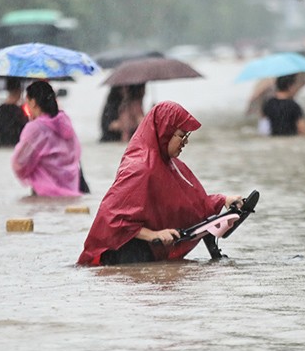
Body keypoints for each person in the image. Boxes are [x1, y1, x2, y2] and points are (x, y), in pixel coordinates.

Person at [78, 101, 242, 266]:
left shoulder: (170, 164)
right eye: (181, 135)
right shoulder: (139, 167)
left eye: (187, 136)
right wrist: (153, 235)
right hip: (125, 254)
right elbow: (112, 218)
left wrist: (223, 200)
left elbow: (190, 204)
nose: (185, 142)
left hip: (147, 253)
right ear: (166, 132)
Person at [11, 80, 83, 196]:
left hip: (44, 194)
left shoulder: (35, 128)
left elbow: (19, 162)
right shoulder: (65, 123)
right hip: (71, 192)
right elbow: (76, 153)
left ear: (33, 102)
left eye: (27, 102)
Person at [0, 77, 27, 148]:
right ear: (19, 91)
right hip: (17, 147)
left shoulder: (0, 109)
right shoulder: (19, 111)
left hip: (3, 145)